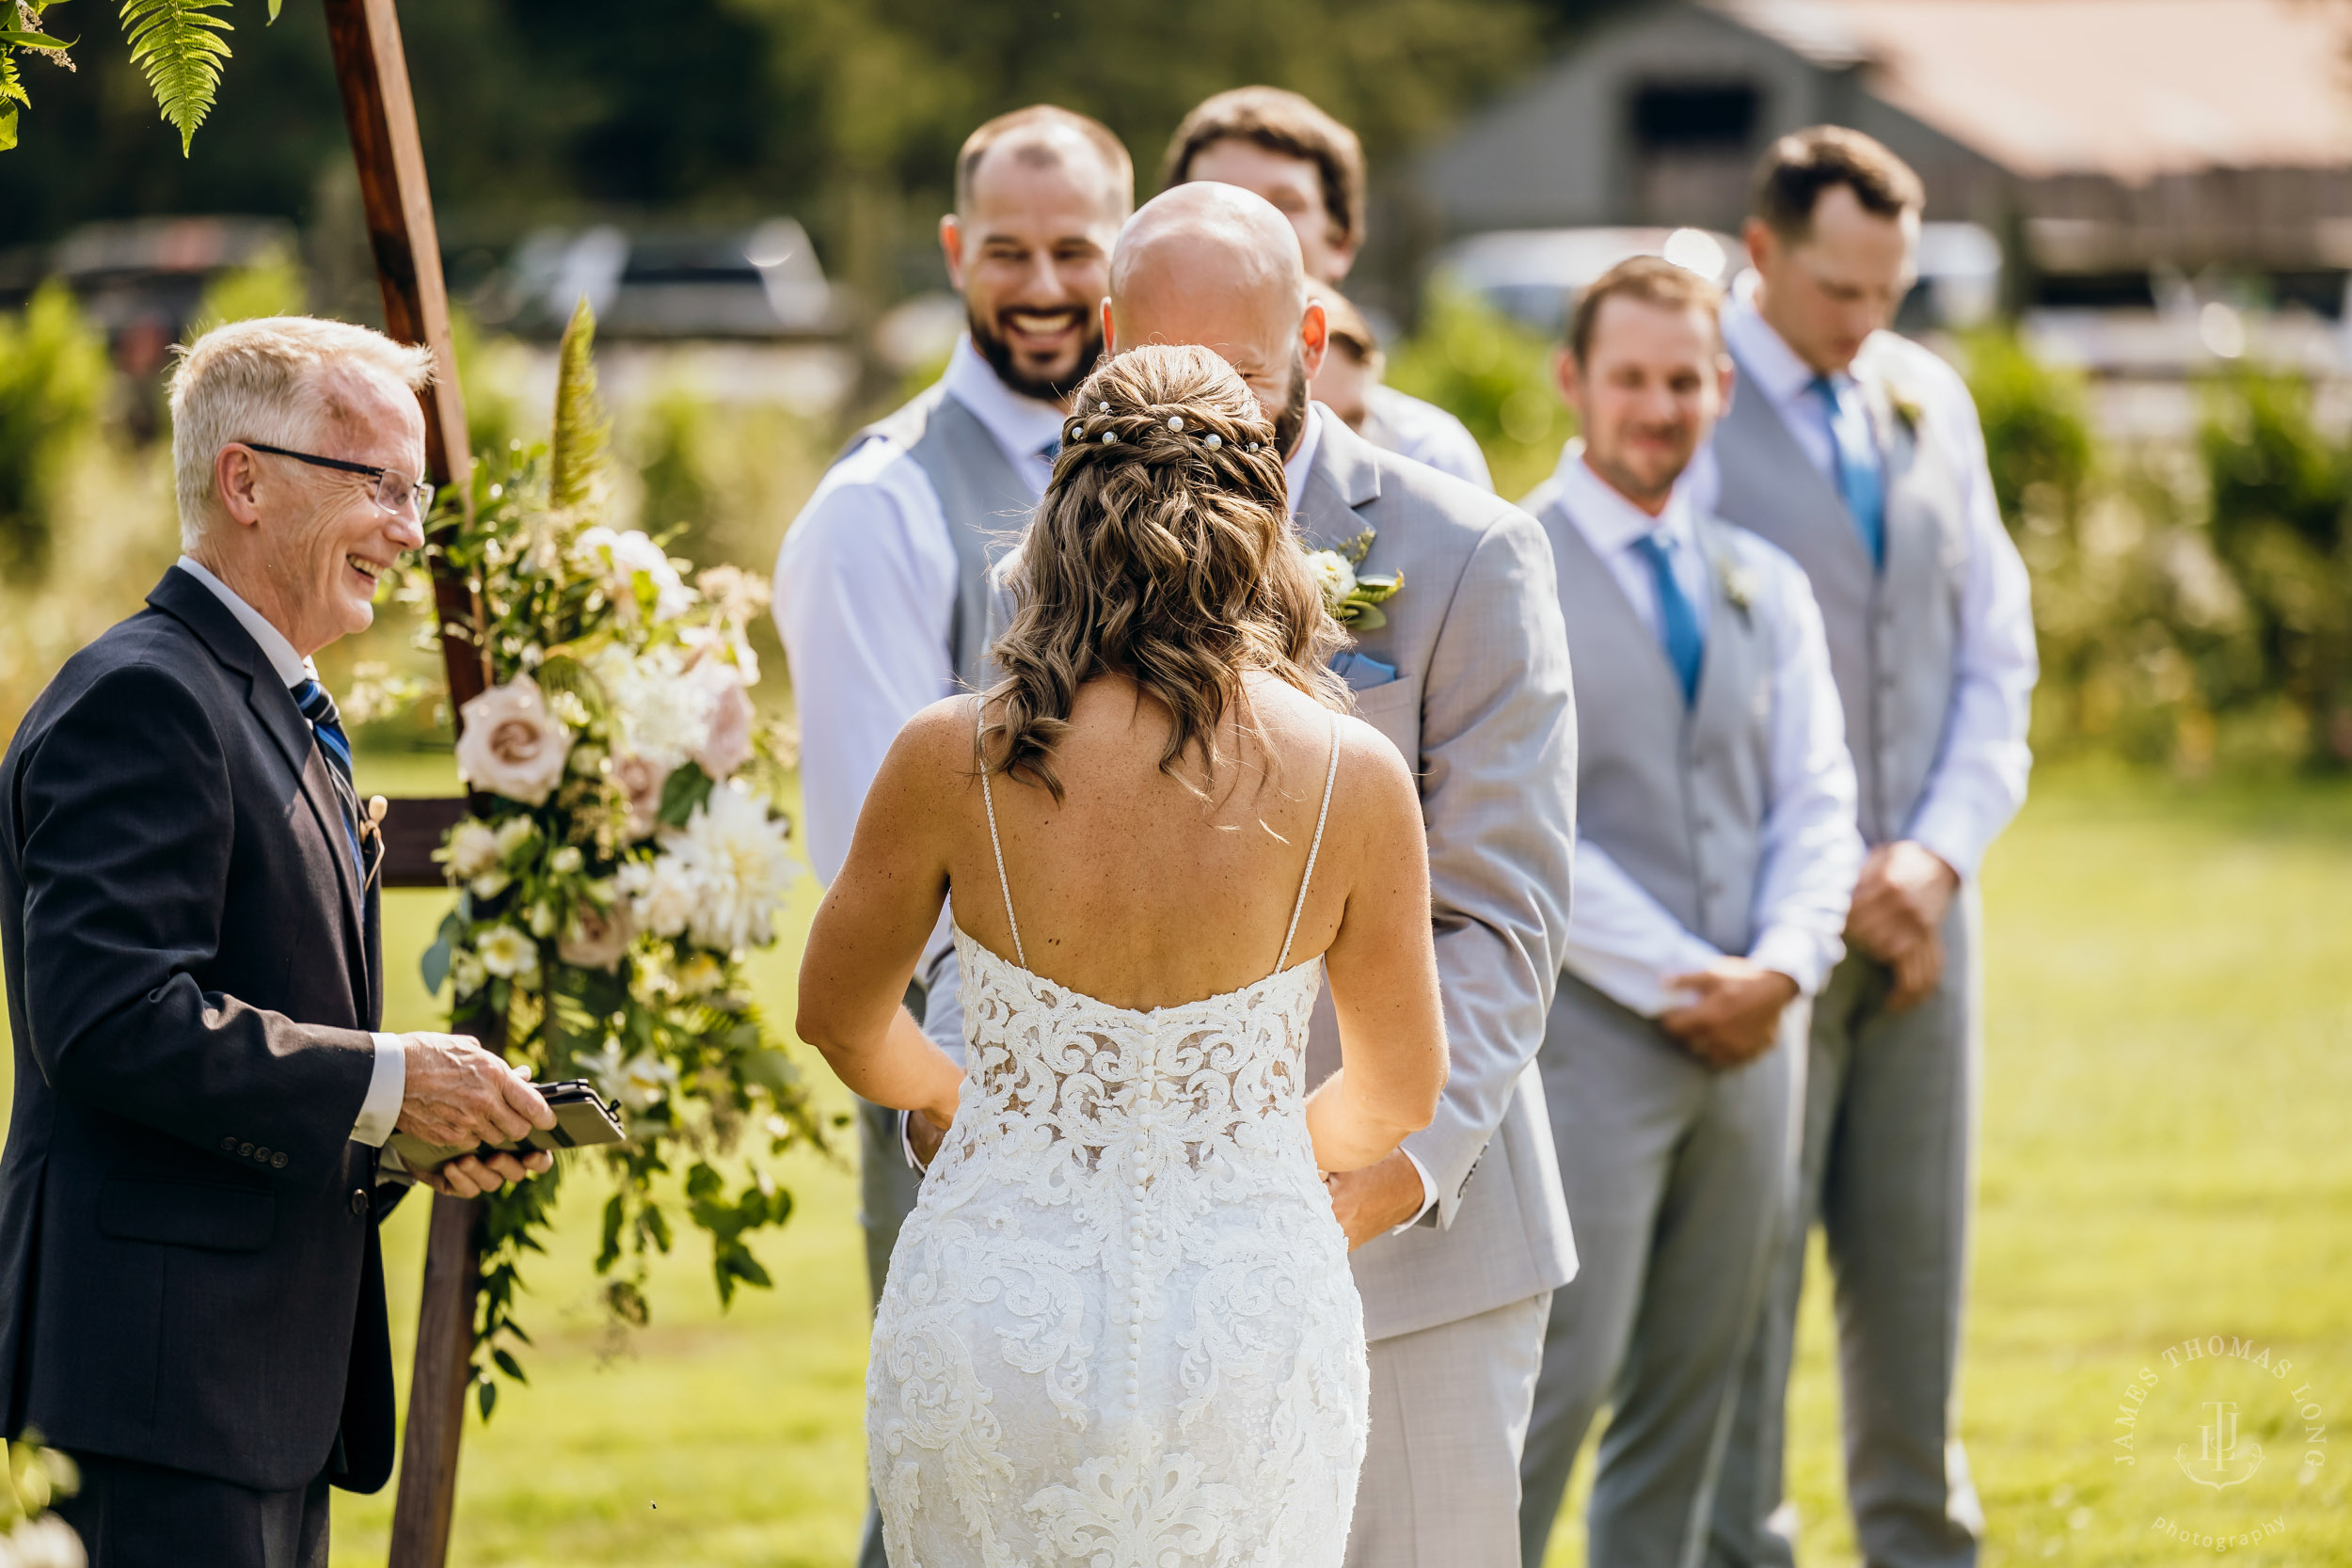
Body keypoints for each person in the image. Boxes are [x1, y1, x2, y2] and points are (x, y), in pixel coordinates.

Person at [799, 342, 1449, 1565]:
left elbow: (838, 1019)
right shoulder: (1353, 771)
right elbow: (1403, 1088)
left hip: (1002, 1295)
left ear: (1061, 513)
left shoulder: (952, 753)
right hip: (1245, 1307)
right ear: (1265, 517)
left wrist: (962, 1100)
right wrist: (1233, 1153)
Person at [1046, 182, 1578, 1567]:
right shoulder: (1041, 567)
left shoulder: (1469, 555)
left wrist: (1381, 1167)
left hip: (1412, 1256)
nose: (1203, 429)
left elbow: (1501, 913)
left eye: (1242, 382)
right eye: (1158, 381)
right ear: (1105, 337)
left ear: (1317, 336)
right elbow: (990, 863)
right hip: (1131, 1255)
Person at [0, 316, 556, 1568]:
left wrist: (401, 1126)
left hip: (251, 1393)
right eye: (383, 485)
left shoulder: (272, 700)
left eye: (417, 492)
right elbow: (107, 1018)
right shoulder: (146, 698)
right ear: (244, 479)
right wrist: (388, 1075)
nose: (413, 530)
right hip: (155, 1397)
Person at [770, 106, 1133, 1564]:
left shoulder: (1185, 473)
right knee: (957, 1477)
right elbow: (871, 845)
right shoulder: (877, 505)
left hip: (1169, 1081)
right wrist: (976, 1084)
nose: (1041, 285)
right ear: (952, 253)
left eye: (1073, 250)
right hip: (968, 1073)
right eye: (1007, 252)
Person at [1692, 128, 2038, 1568]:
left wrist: (1940, 856)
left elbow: (1993, 657)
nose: (1868, 323)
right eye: (1841, 290)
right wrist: (1832, 880)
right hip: (1758, 920)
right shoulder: (1682, 407)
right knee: (1744, 1282)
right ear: (1762, 254)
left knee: (1916, 1268)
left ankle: (1922, 1543)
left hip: (1923, 917)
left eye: (1890, 291)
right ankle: (1737, 1545)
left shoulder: (1924, 398)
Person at [1514, 258, 1864, 1568]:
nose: (1658, 407)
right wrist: (1684, 979)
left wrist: (1781, 965)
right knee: (1558, 1382)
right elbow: (1527, 825)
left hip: (1757, 1038)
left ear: (1721, 387)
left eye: (1684, 380)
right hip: (1588, 1045)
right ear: (1574, 380)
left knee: (1698, 1395)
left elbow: (1818, 797)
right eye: (1631, 377)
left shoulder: (1765, 582)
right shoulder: (1511, 564)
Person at [1161, 86, 1496, 490]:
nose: (1249, 223)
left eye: (1286, 203)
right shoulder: (1114, 449)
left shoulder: (1428, 457)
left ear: (1341, 241)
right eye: (1220, 199)